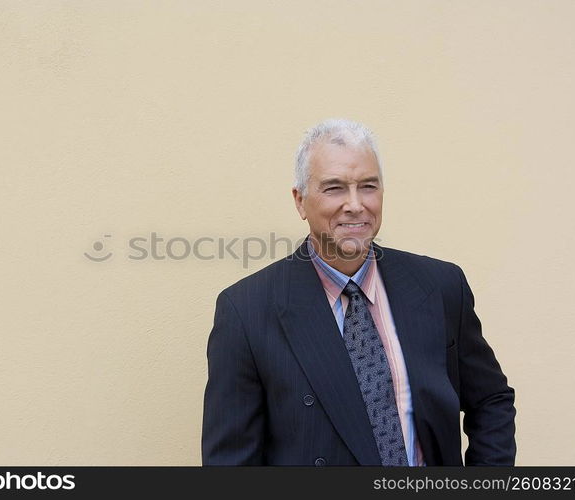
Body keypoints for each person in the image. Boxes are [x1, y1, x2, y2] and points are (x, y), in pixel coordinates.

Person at [201, 118, 516, 466]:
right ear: (300, 200)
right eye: (334, 188)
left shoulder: (441, 285)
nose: (355, 204)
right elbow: (230, 463)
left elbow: (490, 400)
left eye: (368, 186)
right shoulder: (246, 311)